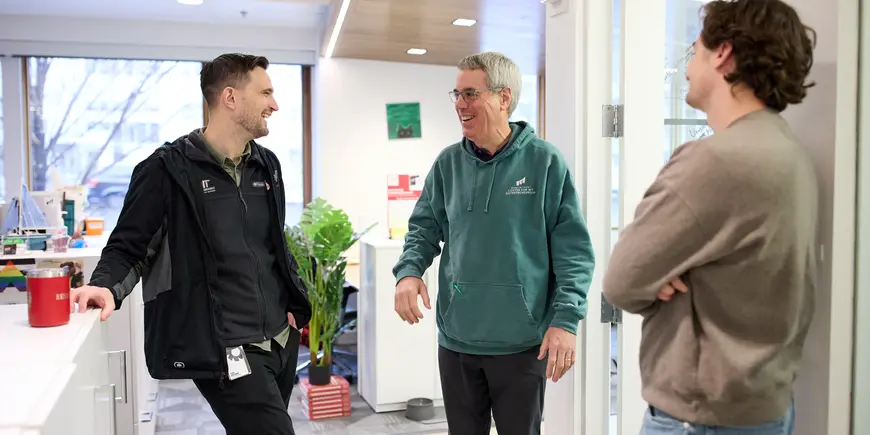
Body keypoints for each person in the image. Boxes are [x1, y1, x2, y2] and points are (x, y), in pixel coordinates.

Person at [602, 1, 817, 434]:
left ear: (723, 53)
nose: (686, 65)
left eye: (695, 48)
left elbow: (621, 282)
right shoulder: (788, 152)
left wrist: (660, 273)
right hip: (763, 409)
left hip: (701, 420)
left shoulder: (716, 161)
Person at [71, 53, 312, 435]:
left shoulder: (267, 166)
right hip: (226, 348)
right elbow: (129, 247)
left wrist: (291, 303)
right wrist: (105, 285)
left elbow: (272, 245)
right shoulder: (166, 170)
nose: (275, 104)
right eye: (265, 93)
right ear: (230, 98)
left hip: (280, 341)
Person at [392, 51, 595, 435]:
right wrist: (408, 271)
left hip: (521, 344)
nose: (460, 105)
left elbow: (574, 253)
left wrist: (566, 320)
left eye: (470, 93)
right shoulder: (448, 163)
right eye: (456, 94)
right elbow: (423, 228)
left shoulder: (545, 162)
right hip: (457, 342)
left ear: (504, 98)